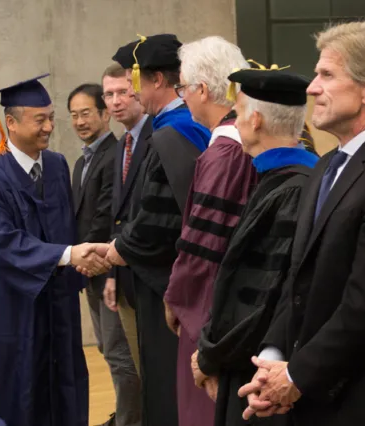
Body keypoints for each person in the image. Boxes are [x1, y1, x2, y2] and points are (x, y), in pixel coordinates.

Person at [239, 21, 365, 426]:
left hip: (355, 397)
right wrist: (272, 358)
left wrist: (294, 376)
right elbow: (298, 281)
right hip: (309, 386)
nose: (311, 88)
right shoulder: (327, 164)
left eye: (326, 75)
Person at [0, 74, 107, 426]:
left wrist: (84, 260)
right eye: (39, 119)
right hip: (8, 307)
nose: (49, 127)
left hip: (54, 302)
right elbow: (3, 244)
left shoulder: (57, 165)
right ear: (10, 123)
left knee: (64, 389)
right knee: (18, 397)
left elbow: (67, 228)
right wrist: (67, 256)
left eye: (50, 117)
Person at [192, 64, 318, 426]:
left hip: (256, 371)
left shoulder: (290, 192)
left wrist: (209, 354)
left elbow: (260, 298)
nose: (234, 120)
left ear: (257, 120)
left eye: (239, 112)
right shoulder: (286, 179)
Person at [103, 34, 211, 426]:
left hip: (167, 278)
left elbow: (164, 217)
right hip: (174, 272)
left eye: (137, 83)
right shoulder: (180, 128)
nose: (133, 93)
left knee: (168, 379)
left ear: (159, 82)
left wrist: (121, 248)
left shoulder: (174, 133)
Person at [162, 36, 257, 426]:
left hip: (215, 309)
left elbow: (204, 243)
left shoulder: (223, 154)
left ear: (202, 89)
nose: (182, 96)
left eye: (183, 87)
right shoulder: (253, 139)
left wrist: (176, 297)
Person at [68, 83, 139, 426]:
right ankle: (125, 414)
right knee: (107, 351)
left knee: (120, 354)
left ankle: (130, 420)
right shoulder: (82, 162)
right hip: (91, 272)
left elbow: (108, 218)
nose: (79, 121)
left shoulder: (116, 155)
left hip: (109, 270)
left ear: (104, 114)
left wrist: (95, 262)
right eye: (73, 115)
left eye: (86, 113)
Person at [101, 63, 152, 381]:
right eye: (108, 94)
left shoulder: (159, 137)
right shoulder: (122, 146)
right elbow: (118, 217)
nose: (116, 101)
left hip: (154, 279)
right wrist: (112, 275)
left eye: (123, 92)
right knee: (140, 370)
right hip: (127, 278)